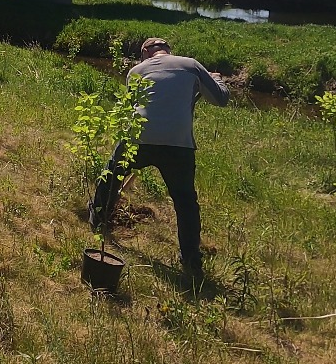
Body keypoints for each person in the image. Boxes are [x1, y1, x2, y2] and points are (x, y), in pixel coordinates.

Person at [87, 37, 230, 280]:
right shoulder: (192, 65)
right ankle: (191, 260)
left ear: (145, 53)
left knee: (111, 173)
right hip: (178, 144)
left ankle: (97, 221)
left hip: (138, 138)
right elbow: (221, 99)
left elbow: (132, 108)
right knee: (185, 201)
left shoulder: (136, 71)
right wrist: (216, 79)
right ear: (167, 50)